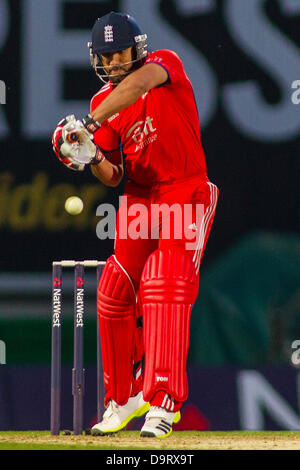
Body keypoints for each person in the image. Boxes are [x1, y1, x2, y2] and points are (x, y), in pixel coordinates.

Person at [52, 11, 219, 438]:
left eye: (118, 53)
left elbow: (139, 85)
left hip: (185, 188)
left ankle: (163, 402)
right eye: (104, 57)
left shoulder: (164, 63)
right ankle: (123, 397)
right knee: (114, 287)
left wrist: (90, 122)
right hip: (142, 197)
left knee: (164, 282)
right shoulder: (100, 104)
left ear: (138, 48)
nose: (111, 64)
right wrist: (91, 156)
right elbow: (114, 175)